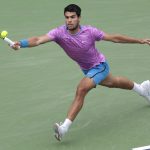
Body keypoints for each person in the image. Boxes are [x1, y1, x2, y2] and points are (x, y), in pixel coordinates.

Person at [12, 4, 150, 141]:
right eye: (67, 17)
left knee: (81, 89)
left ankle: (64, 128)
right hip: (87, 69)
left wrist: (140, 41)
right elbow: (37, 40)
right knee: (115, 82)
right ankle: (142, 89)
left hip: (99, 66)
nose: (69, 20)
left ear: (79, 18)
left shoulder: (90, 31)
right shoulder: (59, 33)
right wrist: (21, 43)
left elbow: (115, 38)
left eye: (72, 17)